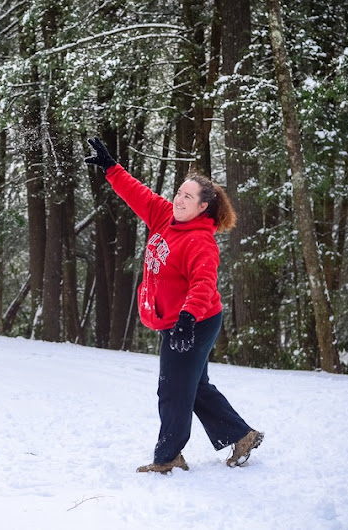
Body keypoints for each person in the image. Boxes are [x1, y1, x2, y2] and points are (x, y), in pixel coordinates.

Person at [85, 136, 263, 473]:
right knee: (194, 386)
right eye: (179, 192)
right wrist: (112, 168)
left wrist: (187, 318)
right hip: (179, 321)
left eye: (188, 197)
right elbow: (138, 194)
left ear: (203, 207)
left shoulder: (201, 242)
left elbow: (203, 284)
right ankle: (242, 435)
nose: (179, 199)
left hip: (195, 322)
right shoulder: (165, 216)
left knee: (172, 389)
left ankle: (168, 457)